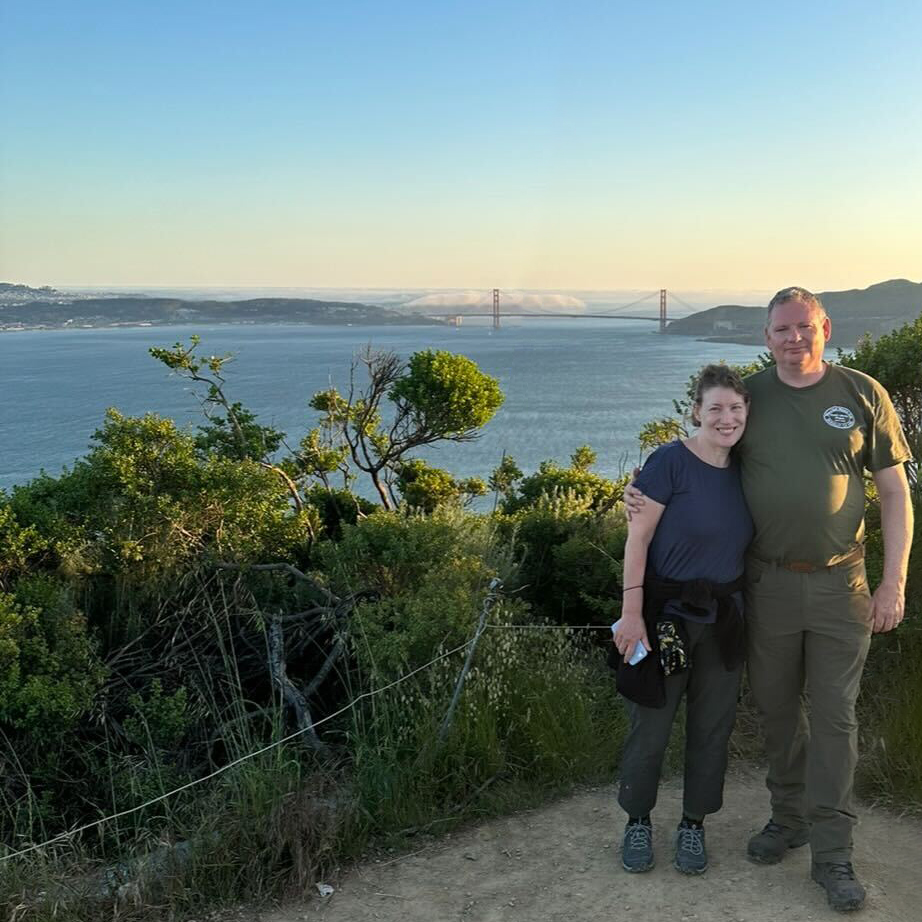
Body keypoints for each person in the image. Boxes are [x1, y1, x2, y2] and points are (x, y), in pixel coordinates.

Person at [625, 287, 913, 912]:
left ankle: (833, 854)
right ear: (766, 336)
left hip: (844, 584)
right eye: (781, 329)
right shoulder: (752, 398)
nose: (793, 338)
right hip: (767, 584)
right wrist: (647, 489)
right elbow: (706, 452)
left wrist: (895, 581)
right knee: (779, 712)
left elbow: (894, 493)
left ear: (825, 327)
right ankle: (789, 819)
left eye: (804, 327)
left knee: (836, 718)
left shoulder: (863, 393)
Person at [613, 364, 753, 876]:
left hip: (724, 620)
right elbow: (638, 541)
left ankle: (693, 824)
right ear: (696, 411)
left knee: (712, 727)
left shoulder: (748, 468)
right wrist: (631, 615)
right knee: (651, 722)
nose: (726, 418)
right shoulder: (669, 461)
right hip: (665, 615)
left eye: (735, 408)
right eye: (714, 407)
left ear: (746, 415)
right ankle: (638, 821)